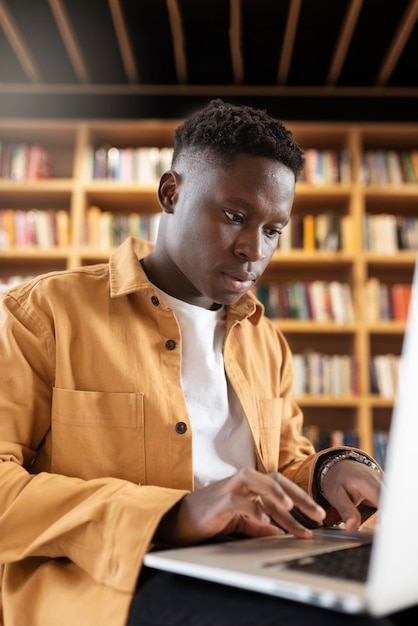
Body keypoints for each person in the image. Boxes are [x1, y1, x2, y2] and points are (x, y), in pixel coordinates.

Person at [0, 99, 412, 626]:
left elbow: (282, 466)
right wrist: (173, 514)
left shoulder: (267, 342)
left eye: (273, 230)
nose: (253, 250)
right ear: (172, 193)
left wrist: (327, 471)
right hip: (110, 582)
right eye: (235, 216)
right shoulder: (41, 315)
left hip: (255, 556)